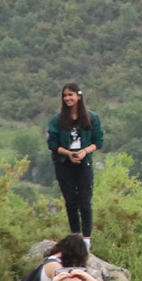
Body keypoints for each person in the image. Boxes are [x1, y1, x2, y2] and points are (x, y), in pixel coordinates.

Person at [47, 84, 102, 240]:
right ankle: (75, 235)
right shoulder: (58, 119)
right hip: (64, 164)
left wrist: (84, 151)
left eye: (70, 95)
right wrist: (68, 153)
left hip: (84, 163)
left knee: (85, 202)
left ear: (79, 96)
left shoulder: (91, 117)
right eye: (65, 95)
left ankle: (86, 238)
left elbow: (98, 141)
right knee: (70, 202)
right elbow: (52, 144)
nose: (67, 98)